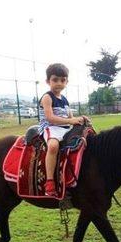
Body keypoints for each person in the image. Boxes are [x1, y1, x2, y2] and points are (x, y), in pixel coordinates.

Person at [38, 63, 88, 197]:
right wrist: (70, 121)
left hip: (65, 128)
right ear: (48, 81)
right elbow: (50, 118)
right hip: (51, 128)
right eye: (55, 80)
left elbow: (71, 117)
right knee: (53, 146)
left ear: (67, 81)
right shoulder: (47, 97)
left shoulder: (64, 99)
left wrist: (80, 119)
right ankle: (49, 182)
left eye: (62, 80)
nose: (59, 83)